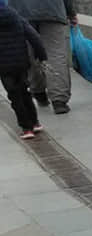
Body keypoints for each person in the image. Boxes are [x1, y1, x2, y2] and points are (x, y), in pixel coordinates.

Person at [8, 0, 76, 115]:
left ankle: (38, 92)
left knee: (29, 53)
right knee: (55, 54)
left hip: (20, 11)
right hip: (52, 10)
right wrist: (71, 13)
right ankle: (59, 100)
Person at [0, 0, 45, 139]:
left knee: (14, 96)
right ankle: (35, 122)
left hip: (4, 66)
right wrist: (41, 54)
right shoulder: (16, 16)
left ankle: (26, 128)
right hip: (21, 63)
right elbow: (34, 36)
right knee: (25, 92)